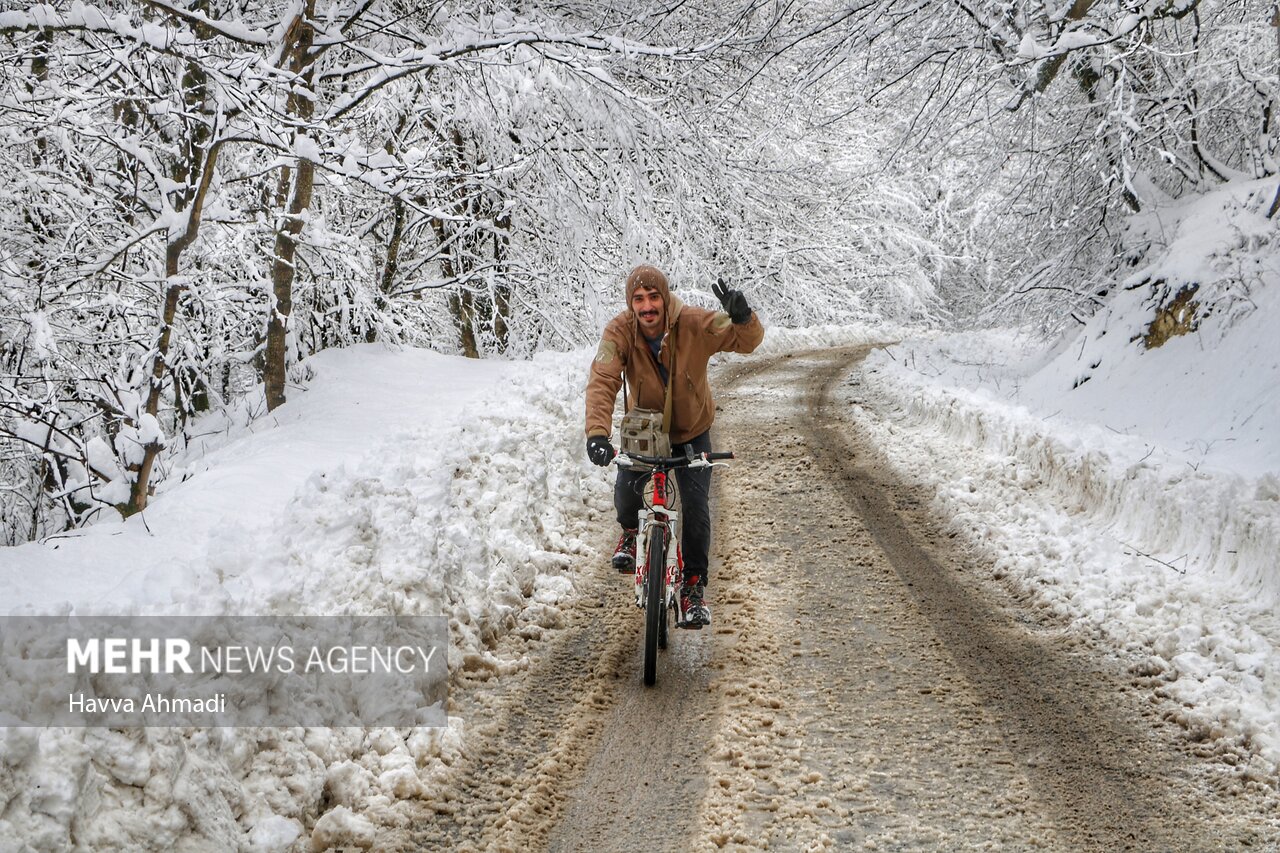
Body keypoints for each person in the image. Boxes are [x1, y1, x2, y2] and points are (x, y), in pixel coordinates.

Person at [584, 264, 764, 628]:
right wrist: (597, 433)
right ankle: (632, 535)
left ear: (664, 299)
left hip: (692, 430)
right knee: (627, 487)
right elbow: (603, 380)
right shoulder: (619, 331)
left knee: (696, 510)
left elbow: (747, 342)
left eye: (653, 297)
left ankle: (694, 588)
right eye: (638, 299)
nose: (647, 306)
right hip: (645, 429)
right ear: (630, 303)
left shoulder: (696, 323)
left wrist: (743, 317)